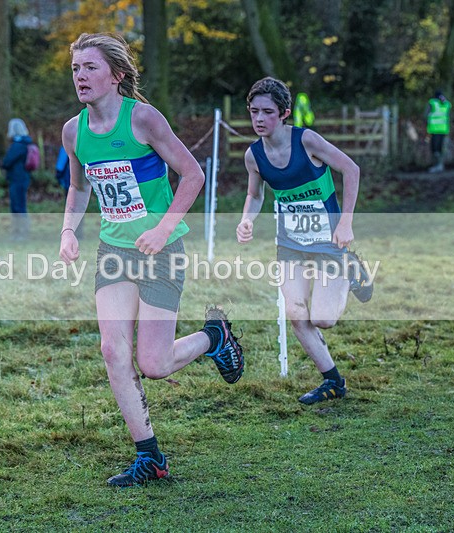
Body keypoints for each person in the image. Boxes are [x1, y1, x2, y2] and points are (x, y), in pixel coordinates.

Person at [58, 33, 244, 487]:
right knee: (111, 350)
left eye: (90, 67)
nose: (81, 76)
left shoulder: (142, 119)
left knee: (155, 364)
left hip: (160, 252)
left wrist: (163, 228)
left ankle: (214, 337)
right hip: (114, 253)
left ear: (117, 75)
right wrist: (67, 230)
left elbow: (192, 173)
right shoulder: (73, 131)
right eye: (76, 69)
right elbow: (80, 186)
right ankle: (151, 458)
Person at [235, 77, 373, 406]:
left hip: (327, 241)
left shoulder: (307, 141)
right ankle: (333, 382)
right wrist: (246, 219)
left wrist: (346, 221)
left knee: (324, 319)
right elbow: (255, 195)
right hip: (290, 245)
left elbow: (351, 170)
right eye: (254, 111)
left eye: (267, 112)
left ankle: (352, 268)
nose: (259, 119)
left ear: (284, 113)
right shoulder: (254, 156)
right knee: (297, 315)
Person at [1, 118, 32, 240]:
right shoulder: (26, 143)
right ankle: (19, 232)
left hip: (17, 178)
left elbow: (7, 161)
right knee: (20, 205)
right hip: (23, 178)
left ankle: (20, 233)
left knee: (17, 206)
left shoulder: (18, 145)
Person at [55, 145, 82, 238]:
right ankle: (79, 232)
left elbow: (60, 165)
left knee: (71, 206)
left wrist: (59, 177)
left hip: (70, 181)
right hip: (82, 181)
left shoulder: (67, 144)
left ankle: (71, 231)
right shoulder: (83, 143)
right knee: (81, 205)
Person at [426, 90, 451, 173]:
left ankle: (438, 165)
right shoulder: (446, 104)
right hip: (443, 130)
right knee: (439, 148)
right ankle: (439, 165)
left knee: (435, 148)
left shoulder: (432, 103)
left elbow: (426, 114)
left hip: (435, 130)